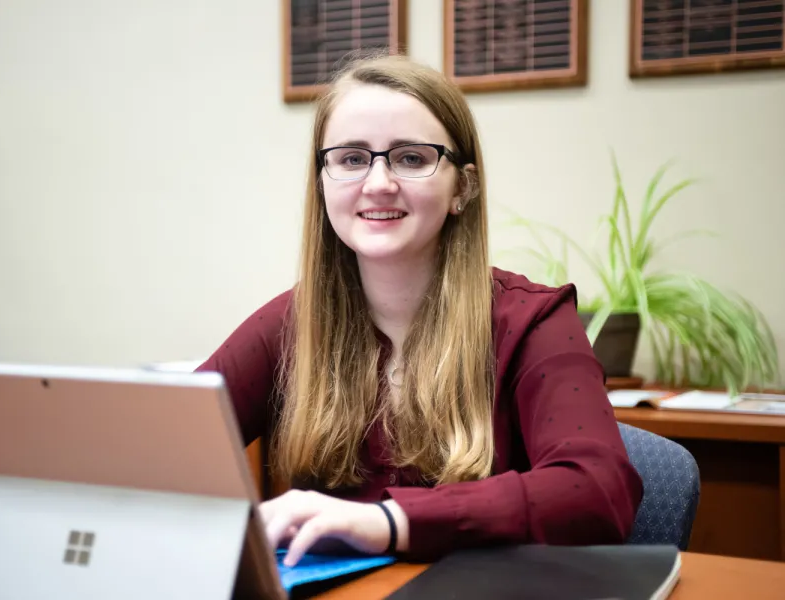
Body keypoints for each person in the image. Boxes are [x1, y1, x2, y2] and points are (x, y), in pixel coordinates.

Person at [196, 53, 643, 567]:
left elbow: (596, 490)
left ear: (463, 187)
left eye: (411, 158)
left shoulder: (532, 322)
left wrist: (387, 522)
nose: (378, 182)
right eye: (351, 158)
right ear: (321, 184)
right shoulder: (291, 323)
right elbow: (160, 450)